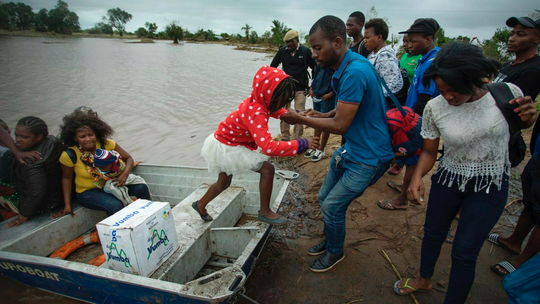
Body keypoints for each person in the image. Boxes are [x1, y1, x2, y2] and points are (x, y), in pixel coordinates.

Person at [394, 43, 537, 304]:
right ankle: (424, 278)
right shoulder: (435, 108)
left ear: (472, 79)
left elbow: (521, 123)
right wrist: (416, 178)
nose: (448, 97)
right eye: (442, 90)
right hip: (448, 180)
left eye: (454, 90)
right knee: (433, 233)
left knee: (465, 252)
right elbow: (428, 151)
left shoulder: (506, 94)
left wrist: (530, 118)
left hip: (490, 185)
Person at [282, 16, 394, 272]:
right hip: (351, 149)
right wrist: (323, 114)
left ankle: (335, 252)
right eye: (312, 48)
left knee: (333, 205)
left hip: (369, 156)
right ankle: (332, 236)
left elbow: (342, 126)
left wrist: (298, 117)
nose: (314, 54)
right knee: (324, 197)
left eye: (318, 47)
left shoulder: (354, 72)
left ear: (337, 42)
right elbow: (346, 111)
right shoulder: (348, 66)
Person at [194, 66, 319, 225]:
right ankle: (264, 211)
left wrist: (300, 116)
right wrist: (302, 144)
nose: (284, 104)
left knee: (223, 183)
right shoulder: (257, 112)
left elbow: (279, 113)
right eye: (282, 100)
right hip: (227, 145)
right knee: (268, 170)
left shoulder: (260, 100)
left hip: (227, 140)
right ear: (269, 95)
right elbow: (269, 147)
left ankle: (200, 205)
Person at [487, 9, 540, 277]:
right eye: (512, 33)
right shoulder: (512, 65)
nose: (512, 38)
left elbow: (511, 111)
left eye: (521, 34)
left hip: (505, 139)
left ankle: (522, 261)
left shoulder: (533, 69)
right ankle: (513, 240)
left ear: (537, 38)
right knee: (530, 198)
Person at [379, 18, 441, 210]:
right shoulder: (425, 58)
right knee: (410, 159)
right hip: (412, 115)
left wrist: (409, 124)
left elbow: (424, 99)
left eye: (413, 41)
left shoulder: (434, 62)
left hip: (417, 120)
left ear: (428, 39)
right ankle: (405, 187)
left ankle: (402, 200)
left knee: (414, 158)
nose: (409, 45)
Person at [53, 112, 151, 218]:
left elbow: (128, 158)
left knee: (141, 188)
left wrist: (124, 174)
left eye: (90, 135)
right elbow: (66, 178)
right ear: (75, 138)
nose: (88, 139)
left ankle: (149, 218)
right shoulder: (70, 155)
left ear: (96, 133)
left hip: (112, 184)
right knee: (116, 205)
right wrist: (67, 205)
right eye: (82, 136)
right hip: (88, 191)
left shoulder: (107, 144)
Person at [7, 117, 65, 228]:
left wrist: (23, 214)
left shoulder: (31, 161)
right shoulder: (52, 141)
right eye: (17, 135)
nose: (18, 140)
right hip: (58, 196)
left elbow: (36, 192)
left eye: (24, 137)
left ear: (39, 137)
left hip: (45, 205)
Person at [270, 30, 315, 141]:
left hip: (301, 89)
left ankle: (298, 138)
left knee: (299, 114)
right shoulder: (282, 52)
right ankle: (285, 137)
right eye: (286, 42)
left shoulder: (305, 52)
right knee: (284, 113)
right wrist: (277, 82)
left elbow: (315, 68)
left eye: (291, 42)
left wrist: (312, 86)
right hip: (285, 89)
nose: (288, 45)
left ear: (297, 40)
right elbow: (272, 67)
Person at [364, 18, 403, 107]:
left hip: (382, 105)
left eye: (368, 37)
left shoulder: (385, 56)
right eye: (364, 38)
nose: (365, 41)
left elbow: (394, 84)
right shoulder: (374, 54)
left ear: (379, 37)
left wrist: (372, 95)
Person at [305, 62, 335, 162]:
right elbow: (315, 75)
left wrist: (331, 93)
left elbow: (337, 80)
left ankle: (321, 149)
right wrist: (311, 88)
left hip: (327, 97)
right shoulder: (318, 62)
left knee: (326, 123)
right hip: (316, 95)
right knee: (316, 122)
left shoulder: (332, 62)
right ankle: (315, 145)